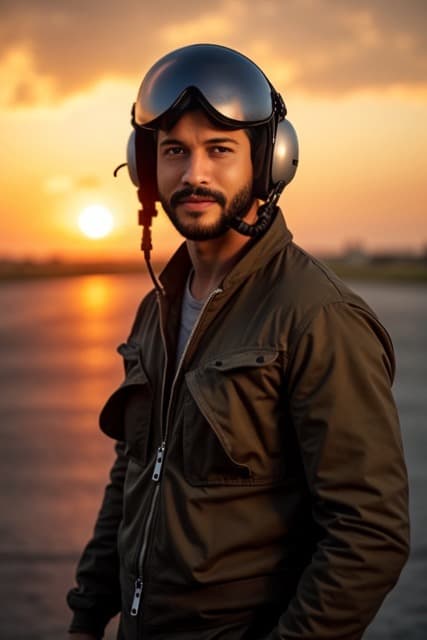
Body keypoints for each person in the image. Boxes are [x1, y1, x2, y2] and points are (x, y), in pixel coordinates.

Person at [67, 44, 409, 640]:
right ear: (148, 169)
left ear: (268, 162)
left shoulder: (317, 315)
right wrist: (87, 615)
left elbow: (369, 534)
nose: (193, 173)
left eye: (219, 149)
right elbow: (132, 475)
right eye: (174, 151)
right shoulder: (156, 309)